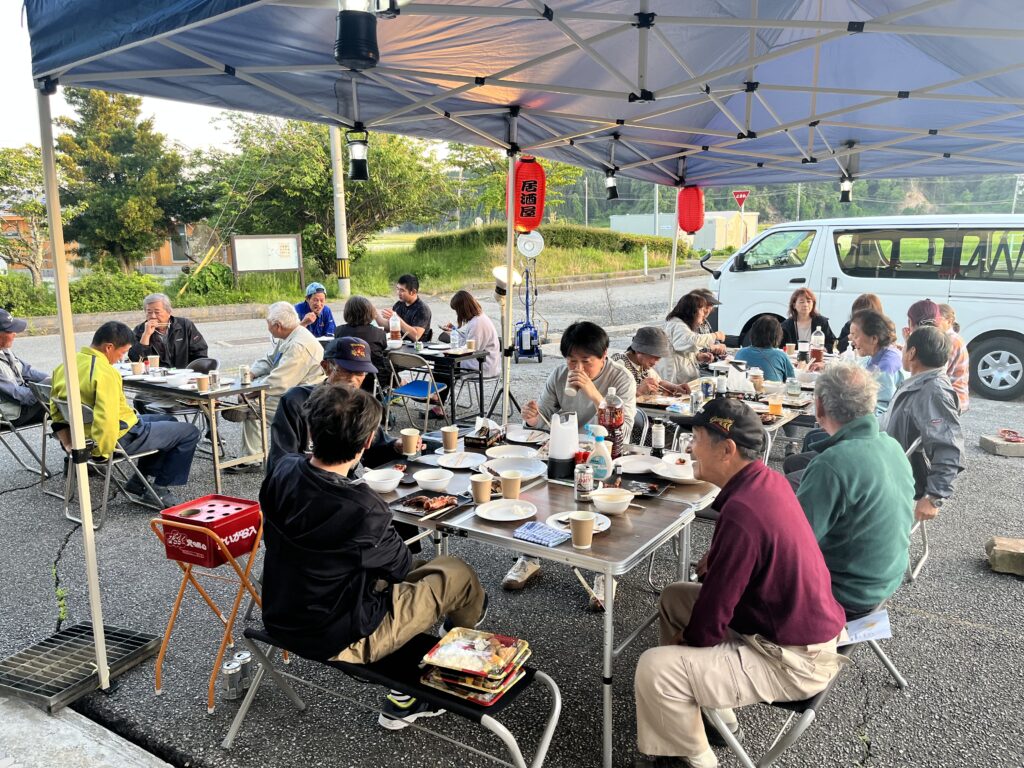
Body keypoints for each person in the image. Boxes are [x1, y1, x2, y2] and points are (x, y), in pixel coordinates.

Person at [633, 398, 847, 768]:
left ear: (727, 449)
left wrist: (689, 643)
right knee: (674, 598)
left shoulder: (744, 512)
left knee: (656, 668)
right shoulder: (764, 482)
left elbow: (713, 615)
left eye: (697, 438)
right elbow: (734, 573)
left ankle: (693, 759)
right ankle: (714, 718)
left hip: (795, 660)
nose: (689, 447)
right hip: (794, 633)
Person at [259, 384, 486, 729]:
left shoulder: (283, 469)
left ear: (309, 430)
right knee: (458, 574)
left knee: (430, 570)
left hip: (281, 613)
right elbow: (399, 569)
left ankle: (448, 637)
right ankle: (443, 673)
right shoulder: (363, 507)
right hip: (341, 635)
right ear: (367, 443)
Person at [509, 321, 637, 593]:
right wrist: (532, 419)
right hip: (564, 453)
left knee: (600, 509)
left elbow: (623, 431)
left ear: (604, 357)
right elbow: (543, 420)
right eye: (572, 360)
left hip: (604, 455)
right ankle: (529, 557)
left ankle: (604, 572)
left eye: (586, 362)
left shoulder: (621, 379)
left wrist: (593, 393)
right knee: (539, 496)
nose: (577, 369)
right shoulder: (558, 375)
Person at [794, 364, 915, 617]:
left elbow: (793, 546)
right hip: (885, 580)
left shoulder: (832, 464)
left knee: (736, 587)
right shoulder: (892, 446)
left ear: (819, 407)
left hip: (845, 595)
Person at [49, 321, 201, 507]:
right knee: (190, 432)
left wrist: (67, 443)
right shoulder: (105, 372)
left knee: (168, 419)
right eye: (121, 353)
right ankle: (160, 489)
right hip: (120, 436)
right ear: (109, 347)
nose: (120, 359)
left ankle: (139, 480)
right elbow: (105, 420)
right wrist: (101, 454)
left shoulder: (66, 365)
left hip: (83, 434)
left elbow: (55, 409)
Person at [269, 337, 407, 473]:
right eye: (346, 371)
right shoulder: (296, 401)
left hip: (343, 483)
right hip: (303, 482)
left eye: (360, 373)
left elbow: (375, 447)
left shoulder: (360, 404)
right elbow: (281, 459)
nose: (353, 379)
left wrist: (395, 446)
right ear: (326, 367)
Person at [224, 302, 325, 472]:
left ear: (278, 326)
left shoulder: (297, 345)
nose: (267, 326)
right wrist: (252, 374)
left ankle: (252, 458)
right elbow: (270, 360)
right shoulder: (292, 334)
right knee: (251, 403)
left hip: (303, 399)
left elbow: (279, 382)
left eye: (268, 323)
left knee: (251, 407)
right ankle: (252, 455)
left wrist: (250, 394)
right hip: (294, 391)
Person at [881, 325, 965, 522]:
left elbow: (949, 447)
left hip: (891, 471)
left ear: (912, 353)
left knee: (809, 471)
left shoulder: (934, 392)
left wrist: (934, 496)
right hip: (881, 455)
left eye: (904, 348)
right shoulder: (920, 380)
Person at [611, 326, 688, 445]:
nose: (656, 361)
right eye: (654, 357)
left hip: (648, 419)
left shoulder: (642, 364)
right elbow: (612, 401)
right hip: (632, 428)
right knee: (677, 436)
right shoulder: (620, 365)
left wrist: (676, 387)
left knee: (682, 430)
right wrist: (638, 391)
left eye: (659, 358)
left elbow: (659, 382)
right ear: (638, 350)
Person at [903, 300, 969, 414]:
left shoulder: (948, 340)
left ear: (949, 321)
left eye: (937, 319)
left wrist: (909, 344)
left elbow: (934, 371)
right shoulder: (943, 338)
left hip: (951, 399)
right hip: (943, 395)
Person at [657, 294, 725, 386]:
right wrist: (715, 335)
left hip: (682, 376)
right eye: (701, 310)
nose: (703, 313)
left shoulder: (682, 325)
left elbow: (682, 348)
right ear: (692, 311)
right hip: (674, 378)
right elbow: (692, 342)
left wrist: (698, 357)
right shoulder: (677, 324)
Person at [846, 309, 903, 414]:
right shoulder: (876, 354)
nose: (852, 341)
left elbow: (880, 411)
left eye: (856, 336)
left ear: (874, 339)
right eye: (851, 335)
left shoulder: (886, 366)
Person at [129, 293, 208, 368]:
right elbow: (135, 360)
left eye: (157, 312)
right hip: (154, 378)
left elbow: (200, 352)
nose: (153, 316)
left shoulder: (184, 325)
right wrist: (146, 335)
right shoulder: (140, 330)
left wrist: (193, 372)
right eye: (149, 312)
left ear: (169, 312)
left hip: (184, 375)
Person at [0, 309, 50, 427]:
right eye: (11, 331)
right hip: (12, 413)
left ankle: (71, 443)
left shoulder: (5, 350)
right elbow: (19, 395)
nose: (15, 334)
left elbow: (27, 371)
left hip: (23, 404)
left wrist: (51, 378)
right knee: (67, 406)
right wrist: (45, 389)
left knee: (66, 400)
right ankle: (74, 444)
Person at [335, 295, 388, 389]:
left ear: (347, 312)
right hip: (374, 380)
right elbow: (384, 347)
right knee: (388, 362)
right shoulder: (379, 333)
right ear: (370, 313)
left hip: (346, 380)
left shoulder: (339, 331)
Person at [733, 315, 795, 382]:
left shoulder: (740, 352)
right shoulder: (781, 355)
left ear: (753, 333)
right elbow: (791, 381)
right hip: (773, 392)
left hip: (742, 391)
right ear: (777, 336)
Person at [936, 302, 970, 413]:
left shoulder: (951, 341)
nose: (933, 323)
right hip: (950, 395)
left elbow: (939, 373)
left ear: (949, 321)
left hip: (953, 398)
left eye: (937, 319)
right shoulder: (947, 338)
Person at [379, 274, 432, 343]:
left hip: (416, 349)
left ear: (413, 292)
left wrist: (397, 319)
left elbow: (416, 336)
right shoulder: (399, 305)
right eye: (397, 289)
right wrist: (375, 315)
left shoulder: (422, 310)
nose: (398, 293)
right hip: (399, 345)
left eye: (402, 290)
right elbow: (389, 328)